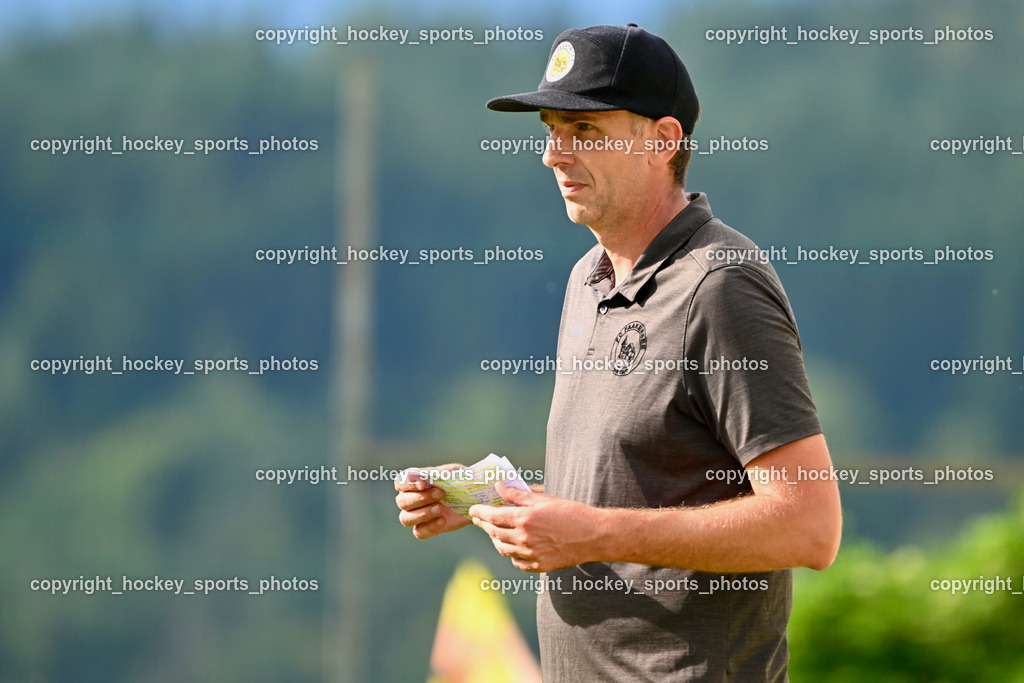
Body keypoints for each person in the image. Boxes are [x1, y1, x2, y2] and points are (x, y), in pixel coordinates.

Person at [395, 24, 842, 681]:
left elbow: (810, 526)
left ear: (663, 140)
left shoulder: (720, 285)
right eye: (551, 129)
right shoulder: (587, 279)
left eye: (584, 130)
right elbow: (627, 493)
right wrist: (493, 502)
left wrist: (593, 532)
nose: (554, 154)